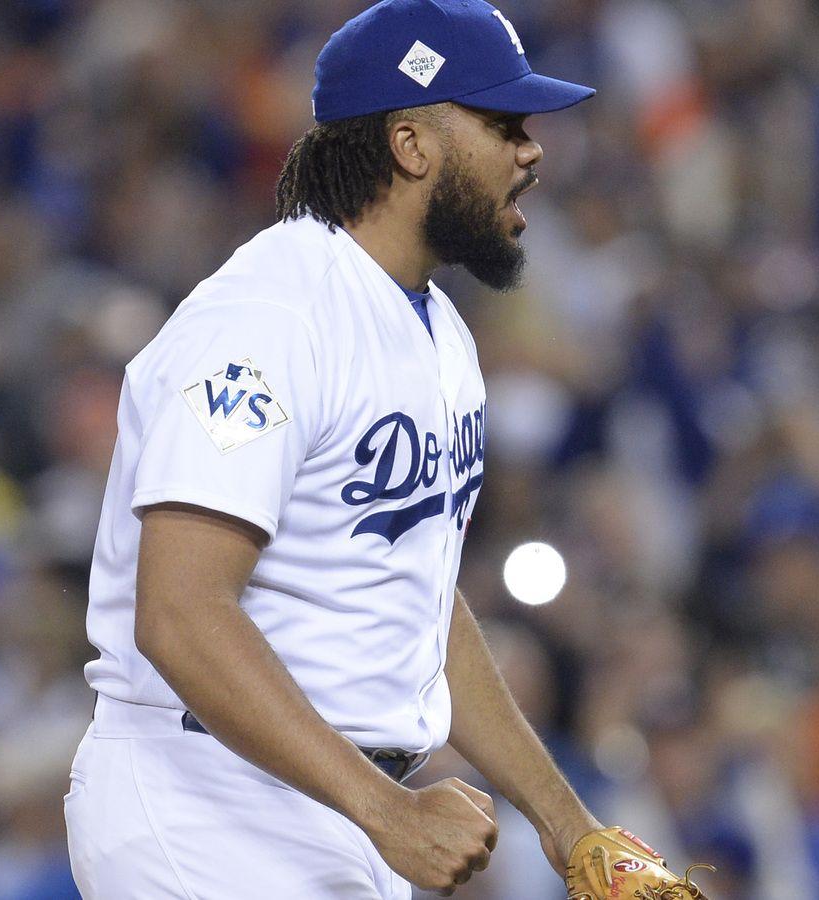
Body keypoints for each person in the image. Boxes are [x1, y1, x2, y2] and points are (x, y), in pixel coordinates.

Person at [62, 1, 606, 895]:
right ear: (411, 144)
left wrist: (568, 827)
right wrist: (387, 811)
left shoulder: (435, 331)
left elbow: (416, 604)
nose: (531, 150)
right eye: (502, 122)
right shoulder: (270, 319)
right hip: (205, 798)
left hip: (334, 805)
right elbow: (180, 611)